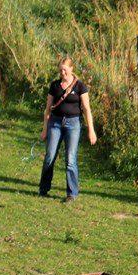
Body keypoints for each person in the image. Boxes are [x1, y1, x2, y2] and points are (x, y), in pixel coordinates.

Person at [39, 56, 97, 202]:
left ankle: (71, 193)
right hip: (55, 123)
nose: (62, 73)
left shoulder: (80, 86)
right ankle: (43, 189)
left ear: (71, 69)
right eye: (60, 70)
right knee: (49, 156)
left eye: (65, 70)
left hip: (73, 124)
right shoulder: (54, 85)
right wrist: (45, 129)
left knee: (70, 159)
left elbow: (86, 109)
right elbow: (47, 110)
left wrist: (91, 130)